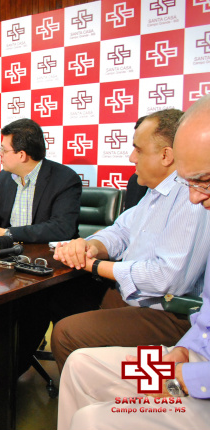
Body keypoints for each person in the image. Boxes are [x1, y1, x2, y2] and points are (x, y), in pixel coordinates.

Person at [58, 94, 210, 430]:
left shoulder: (189, 199)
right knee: (83, 364)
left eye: (138, 149)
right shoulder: (155, 194)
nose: (197, 195)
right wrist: (89, 245)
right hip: (188, 354)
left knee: (89, 413)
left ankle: (122, 414)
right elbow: (119, 232)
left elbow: (168, 280)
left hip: (168, 319)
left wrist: (186, 374)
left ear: (166, 155)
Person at [0, 118, 82, 243]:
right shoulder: (5, 177)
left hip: (45, 255)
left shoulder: (65, 179)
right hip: (9, 254)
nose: (0, 154)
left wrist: (7, 233)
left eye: (4, 150)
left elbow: (62, 228)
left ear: (21, 155)